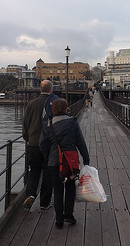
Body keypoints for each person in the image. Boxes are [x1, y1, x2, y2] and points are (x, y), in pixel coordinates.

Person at [40, 98, 90, 229]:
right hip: (70, 162)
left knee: (57, 189)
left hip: (54, 162)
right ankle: (69, 215)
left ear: (54, 109)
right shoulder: (72, 122)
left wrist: (48, 155)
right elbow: (80, 142)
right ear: (66, 108)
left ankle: (59, 220)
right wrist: (86, 159)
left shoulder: (48, 124)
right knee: (70, 187)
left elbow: (43, 144)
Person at [22, 80, 58, 210]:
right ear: (51, 90)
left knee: (34, 170)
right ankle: (44, 202)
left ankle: (30, 193)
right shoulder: (55, 102)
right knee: (48, 172)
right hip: (48, 143)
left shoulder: (31, 104)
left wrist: (26, 138)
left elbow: (25, 122)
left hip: (33, 142)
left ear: (40, 90)